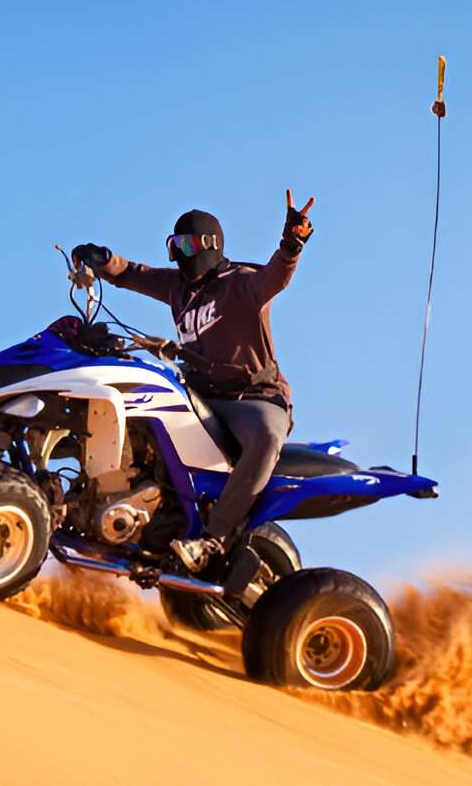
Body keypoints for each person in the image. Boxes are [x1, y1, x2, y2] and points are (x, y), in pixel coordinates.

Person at [73, 190, 315, 572]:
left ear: (209, 245)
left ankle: (212, 540)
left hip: (253, 400)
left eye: (186, 244)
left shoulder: (242, 284)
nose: (180, 253)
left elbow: (277, 276)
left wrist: (291, 244)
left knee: (267, 438)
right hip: (198, 396)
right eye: (173, 245)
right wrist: (102, 260)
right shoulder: (177, 288)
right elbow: (134, 274)